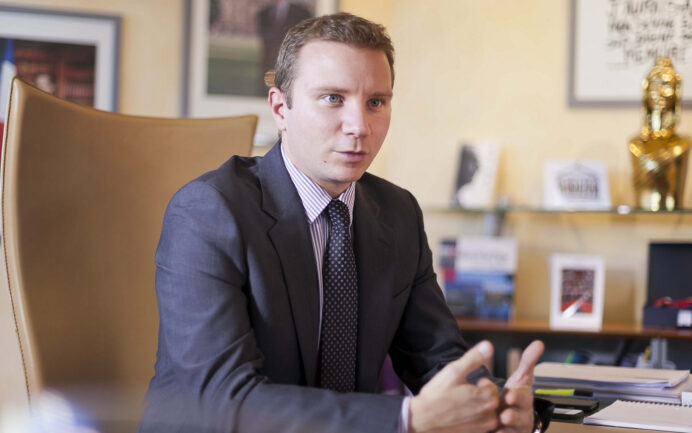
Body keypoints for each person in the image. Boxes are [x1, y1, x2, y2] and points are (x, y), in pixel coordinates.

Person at [138, 12, 544, 433]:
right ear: (280, 108)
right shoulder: (208, 212)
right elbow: (221, 398)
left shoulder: (398, 212)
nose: (359, 127)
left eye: (376, 102)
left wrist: (495, 403)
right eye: (333, 98)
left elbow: (438, 358)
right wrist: (406, 418)